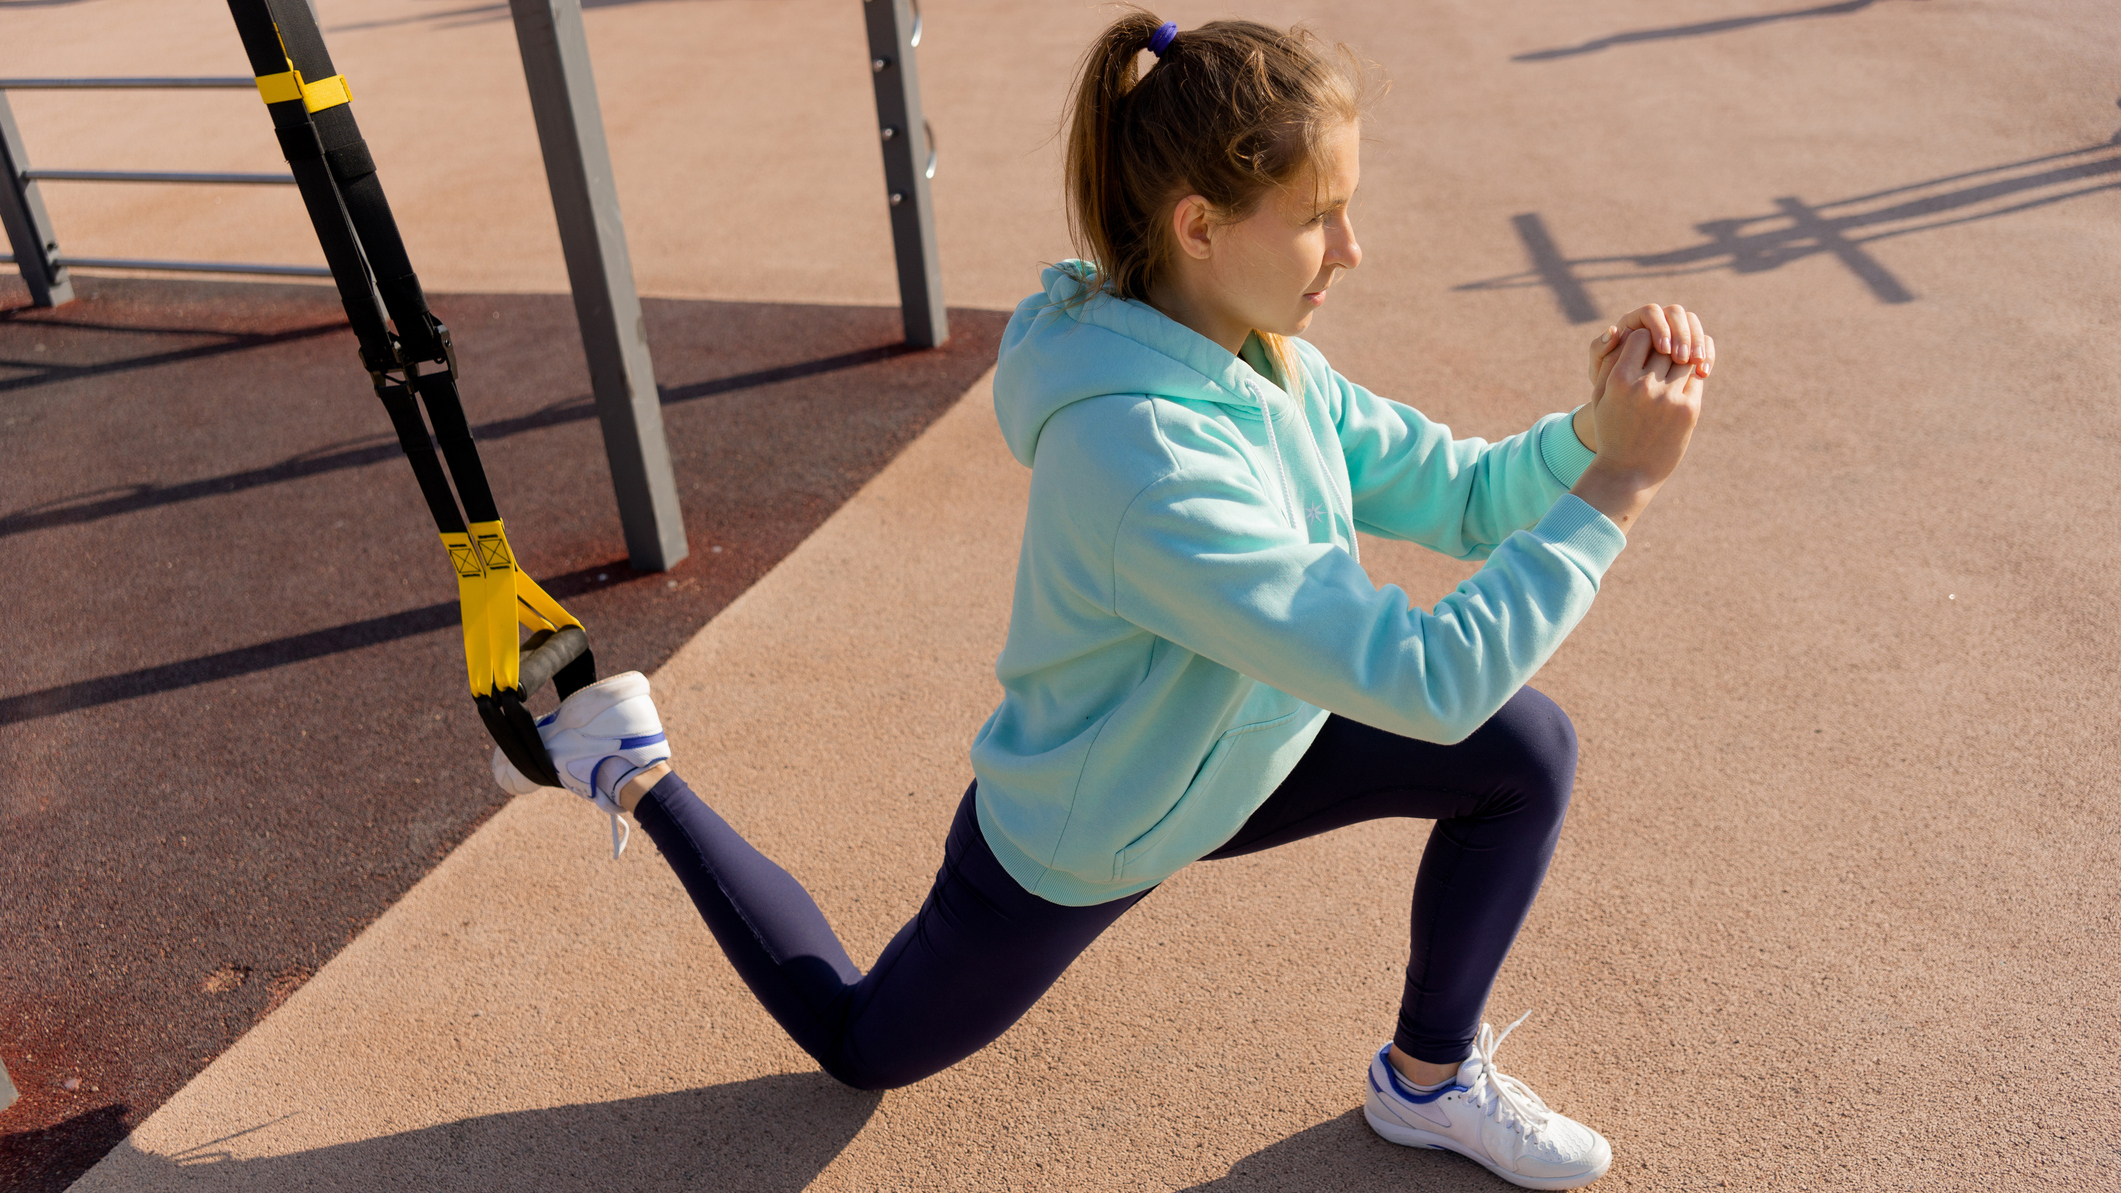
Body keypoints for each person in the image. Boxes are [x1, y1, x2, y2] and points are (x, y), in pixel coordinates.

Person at [495, 12, 1711, 1189]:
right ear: (1197, 224)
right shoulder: (1145, 463)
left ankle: (1427, 1078)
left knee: (1525, 750)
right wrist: (1619, 486)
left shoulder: (1265, 353)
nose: (1352, 250)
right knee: (862, 1048)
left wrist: (1599, 425)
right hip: (1096, 822)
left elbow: (1457, 492)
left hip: (1247, 745)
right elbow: (1425, 678)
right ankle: (630, 759)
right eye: (1321, 219)